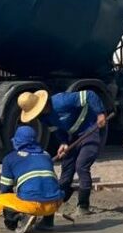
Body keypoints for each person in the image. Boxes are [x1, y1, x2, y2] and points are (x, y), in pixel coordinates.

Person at [18, 88, 107, 217]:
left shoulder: (62, 101)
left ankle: (83, 206)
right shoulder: (43, 118)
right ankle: (57, 201)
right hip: (74, 135)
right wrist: (63, 142)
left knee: (81, 165)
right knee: (67, 167)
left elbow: (89, 95)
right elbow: (57, 130)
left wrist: (100, 114)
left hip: (92, 128)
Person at [0, 125, 64, 233]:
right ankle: (48, 222)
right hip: (55, 204)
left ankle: (21, 217)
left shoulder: (9, 158)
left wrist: (13, 211)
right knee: (46, 188)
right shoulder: (46, 155)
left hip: (33, 204)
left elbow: (5, 189)